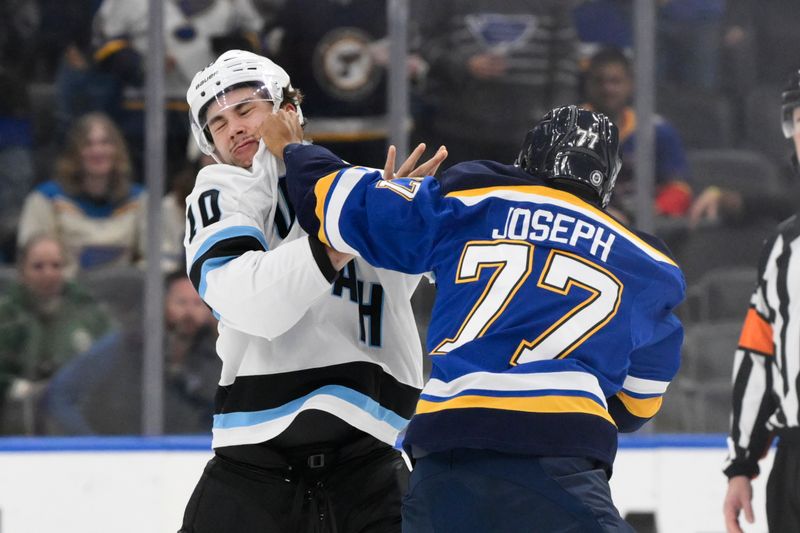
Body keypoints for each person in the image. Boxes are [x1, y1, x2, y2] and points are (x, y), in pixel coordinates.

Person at [263, 104, 685, 532]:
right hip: (558, 459)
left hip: (446, 455)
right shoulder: (648, 264)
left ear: (528, 157)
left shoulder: (469, 197)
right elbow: (635, 407)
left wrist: (295, 151)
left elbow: (344, 204)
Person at [178, 49, 446, 532]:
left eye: (245, 109)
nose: (234, 128)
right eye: (217, 123)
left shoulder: (363, 188)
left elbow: (408, 288)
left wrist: (414, 228)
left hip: (371, 468)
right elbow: (247, 302)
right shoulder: (221, 191)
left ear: (289, 109)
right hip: (254, 479)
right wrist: (343, 237)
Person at [722, 69, 800, 533]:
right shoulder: (782, 247)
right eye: (798, 121)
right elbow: (759, 353)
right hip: (794, 464)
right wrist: (742, 465)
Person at [42, 271, 219, 435]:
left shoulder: (218, 357)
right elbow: (61, 394)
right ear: (162, 304)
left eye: (197, 303)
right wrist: (92, 445)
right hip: (120, 453)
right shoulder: (124, 345)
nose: (189, 312)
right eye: (181, 302)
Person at [413, 0, 579, 166]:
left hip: (530, 130)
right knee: (459, 189)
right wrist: (463, 65)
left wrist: (557, 118)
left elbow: (566, 62)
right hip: (459, 126)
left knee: (522, 190)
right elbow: (425, 43)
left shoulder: (553, 5)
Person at [0, 234, 113, 434]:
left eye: (56, 265)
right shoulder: (6, 316)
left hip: (81, 422)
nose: (48, 274)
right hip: (15, 429)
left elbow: (114, 363)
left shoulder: (88, 312)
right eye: (38, 266)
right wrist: (19, 389)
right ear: (21, 272)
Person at [16, 112, 146, 276]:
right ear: (74, 153)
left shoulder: (141, 200)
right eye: (88, 144)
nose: (97, 151)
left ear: (117, 150)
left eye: (105, 143)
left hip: (125, 294)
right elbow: (33, 262)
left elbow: (157, 259)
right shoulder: (46, 199)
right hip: (65, 294)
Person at [582, 47, 693, 224]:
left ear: (630, 85)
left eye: (615, 81)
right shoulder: (566, 130)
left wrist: (654, 212)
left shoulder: (657, 130)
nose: (607, 89)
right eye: (599, 81)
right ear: (588, 85)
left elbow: (680, 188)